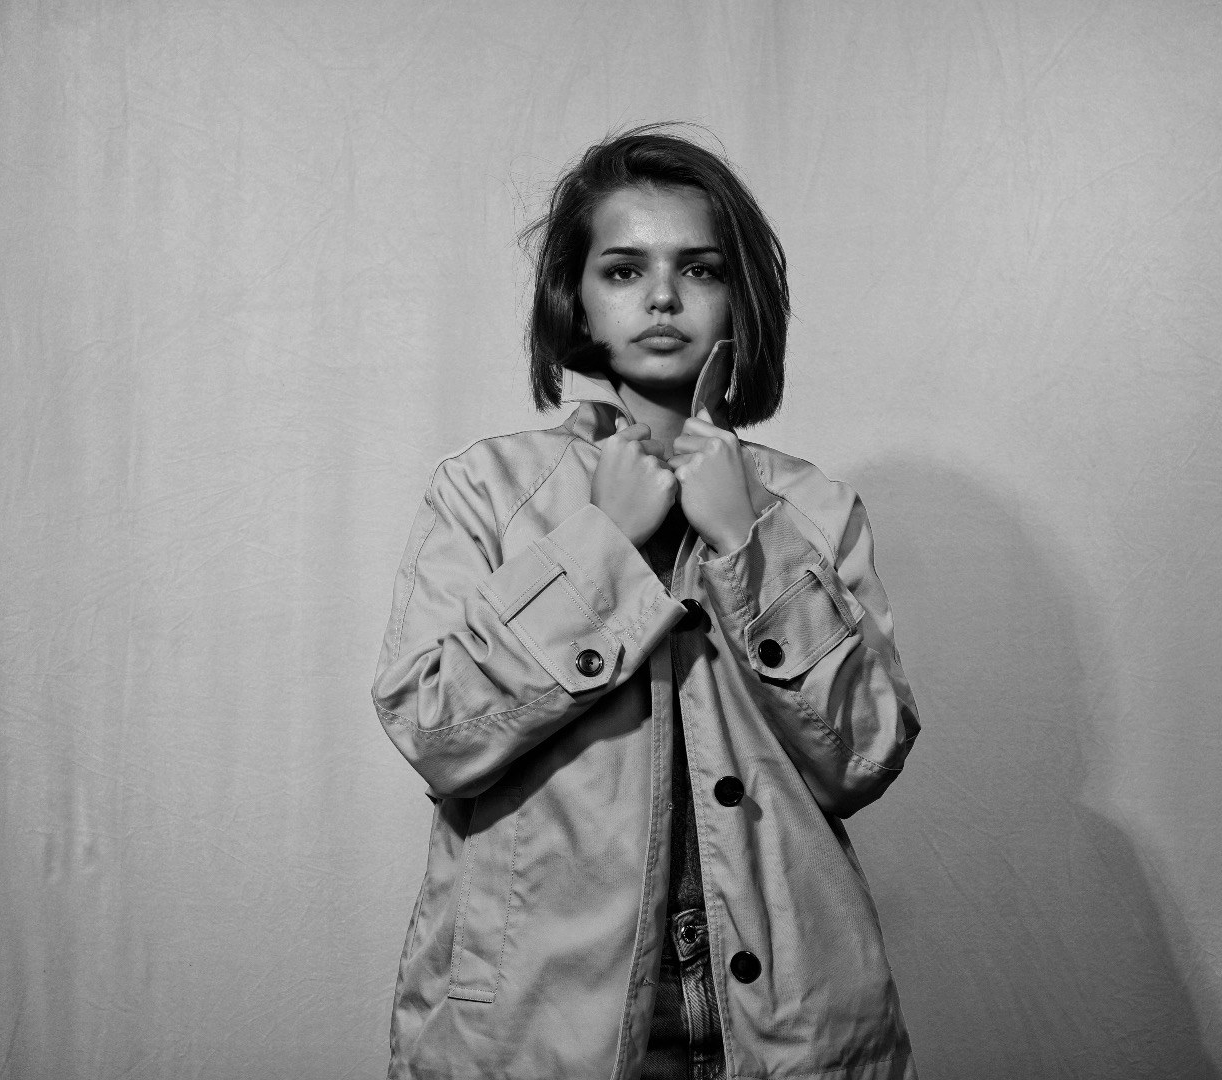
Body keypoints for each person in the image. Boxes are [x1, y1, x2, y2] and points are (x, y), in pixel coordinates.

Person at [372, 125, 921, 1080]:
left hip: (794, 1025)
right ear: (576, 300)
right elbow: (437, 730)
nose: (662, 297)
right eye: (624, 270)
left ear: (739, 296)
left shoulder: (812, 507)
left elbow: (863, 758)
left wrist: (749, 543)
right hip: (538, 1026)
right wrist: (601, 544)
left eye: (699, 269)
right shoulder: (487, 490)